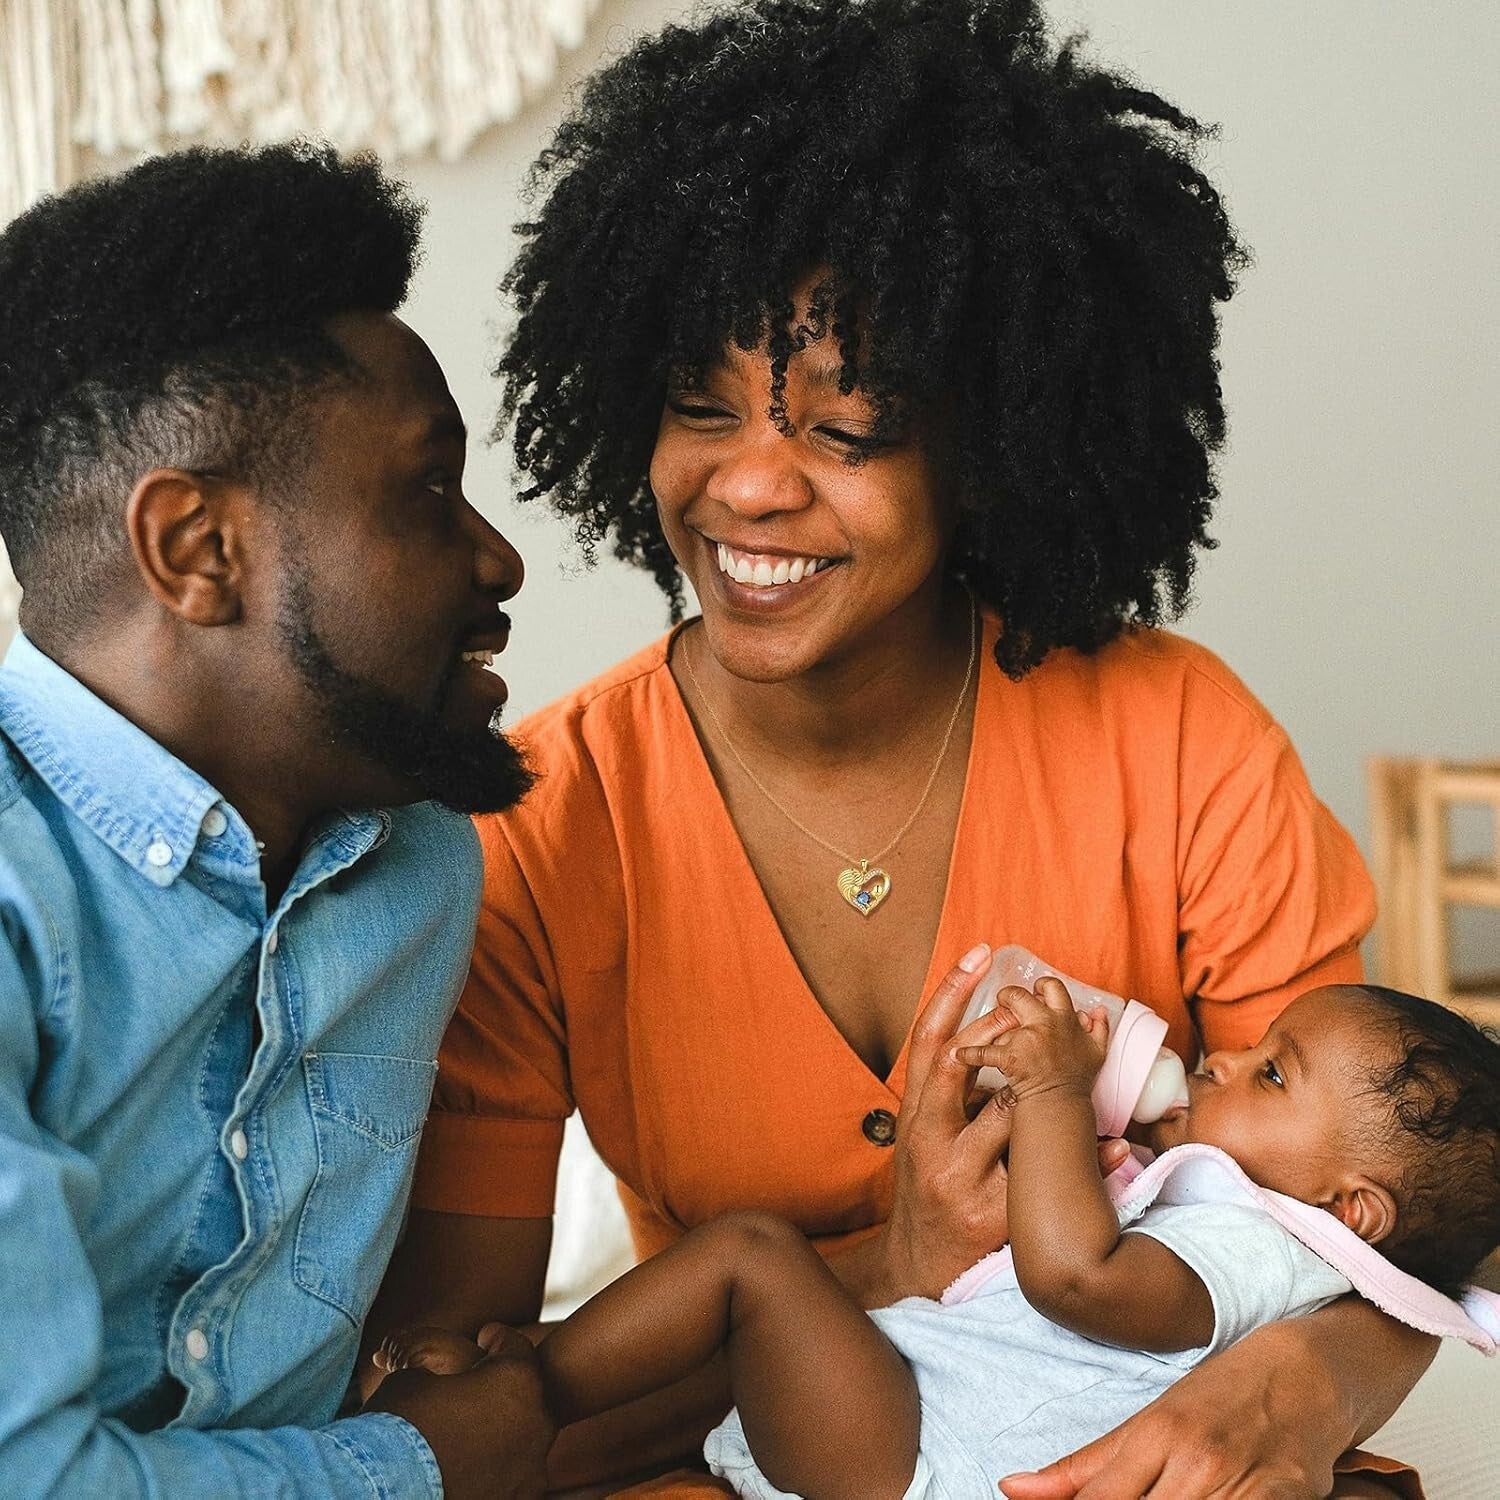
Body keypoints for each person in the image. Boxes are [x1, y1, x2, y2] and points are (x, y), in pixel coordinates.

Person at [368, 1, 1434, 1492]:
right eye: (700, 409)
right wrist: (898, 1265)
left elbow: (1392, 1205)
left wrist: (1296, 1398)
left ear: (989, 441)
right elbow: (459, 1427)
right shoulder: (543, 827)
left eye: (843, 431)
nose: (747, 487)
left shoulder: (1179, 740)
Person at [0, 143, 556, 1497]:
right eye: (429, 487)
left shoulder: (412, 863)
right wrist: (407, 1470)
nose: (500, 560)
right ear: (197, 551)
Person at [377, 977, 1500, 1498]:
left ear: (1355, 1209)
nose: (1225, 1057)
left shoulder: (1268, 1248)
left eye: (1271, 1074)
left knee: (752, 1255)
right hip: (917, 1434)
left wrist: (1060, 1089)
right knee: (753, 1274)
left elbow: (1075, 1276)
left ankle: (530, 1384)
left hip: (921, 1458)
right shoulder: (1253, 1223)